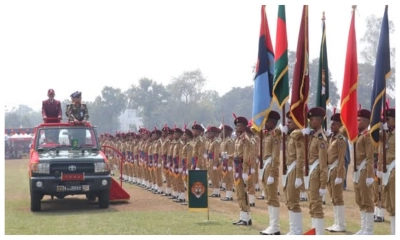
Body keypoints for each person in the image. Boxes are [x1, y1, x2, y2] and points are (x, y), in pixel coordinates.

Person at [304, 107, 328, 235]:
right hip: (312, 173)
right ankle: (314, 232)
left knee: (316, 205)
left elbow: (324, 163)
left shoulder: (320, 138)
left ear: (319, 121)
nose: (310, 122)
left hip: (317, 173)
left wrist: (323, 184)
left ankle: (319, 234)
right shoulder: (313, 136)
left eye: (312, 119)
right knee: (312, 204)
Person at [259, 110, 282, 235]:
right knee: (268, 197)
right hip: (266, 166)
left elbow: (276, 157)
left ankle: (275, 226)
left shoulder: (275, 136)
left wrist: (272, 174)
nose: (265, 123)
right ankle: (271, 225)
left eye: (266, 121)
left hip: (271, 167)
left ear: (272, 122)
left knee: (273, 197)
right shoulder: (267, 135)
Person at [353, 109, 375, 235]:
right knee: (359, 200)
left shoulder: (367, 136)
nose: (356, 122)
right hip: (357, 171)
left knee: (367, 201)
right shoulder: (358, 134)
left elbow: (370, 157)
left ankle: (369, 229)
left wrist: (369, 175)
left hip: (364, 170)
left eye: (359, 120)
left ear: (366, 122)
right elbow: (344, 130)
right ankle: (363, 227)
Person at [283, 111, 304, 235]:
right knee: (289, 200)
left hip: (295, 169)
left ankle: (297, 231)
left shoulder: (298, 137)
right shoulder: (290, 135)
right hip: (290, 169)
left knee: (294, 201)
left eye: (290, 122)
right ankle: (293, 229)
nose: (287, 124)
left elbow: (300, 157)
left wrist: (298, 176)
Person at [325, 112, 347, 232]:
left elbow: (341, 158)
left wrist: (339, 175)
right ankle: (336, 222)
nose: (331, 126)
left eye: (334, 124)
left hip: (336, 170)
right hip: (330, 170)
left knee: (338, 198)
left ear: (339, 125)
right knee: (333, 198)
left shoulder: (340, 139)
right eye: (331, 124)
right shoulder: (331, 138)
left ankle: (341, 224)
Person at [229, 115, 252, 226]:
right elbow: (236, 154)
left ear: (243, 126)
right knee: (239, 192)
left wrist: (245, 171)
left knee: (242, 193)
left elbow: (247, 156)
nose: (236, 128)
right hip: (237, 167)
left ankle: (246, 218)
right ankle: (244, 216)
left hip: (241, 168)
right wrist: (228, 156)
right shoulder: (238, 139)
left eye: (238, 126)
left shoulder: (245, 139)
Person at [377, 108, 395, 234]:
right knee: (390, 205)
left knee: (395, 202)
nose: (385, 121)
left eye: (387, 119)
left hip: (394, 170)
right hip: (386, 171)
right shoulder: (386, 134)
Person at [220, 125, 235, 201]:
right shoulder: (224, 141)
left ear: (228, 132)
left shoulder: (229, 142)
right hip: (224, 162)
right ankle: (227, 194)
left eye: (224, 130)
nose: (222, 132)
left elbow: (231, 153)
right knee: (226, 178)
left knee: (229, 178)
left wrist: (229, 164)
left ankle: (229, 195)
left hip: (229, 163)